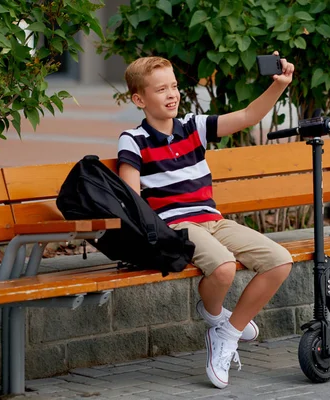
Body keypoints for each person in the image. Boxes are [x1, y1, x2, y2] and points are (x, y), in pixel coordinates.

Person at [117, 53, 294, 389]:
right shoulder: (133, 139)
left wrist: (278, 86)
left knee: (279, 261)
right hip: (176, 226)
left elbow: (246, 115)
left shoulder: (192, 127)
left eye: (173, 87)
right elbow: (131, 195)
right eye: (160, 90)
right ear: (139, 99)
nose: (171, 94)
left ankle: (227, 332)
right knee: (224, 267)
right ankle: (215, 316)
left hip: (213, 221)